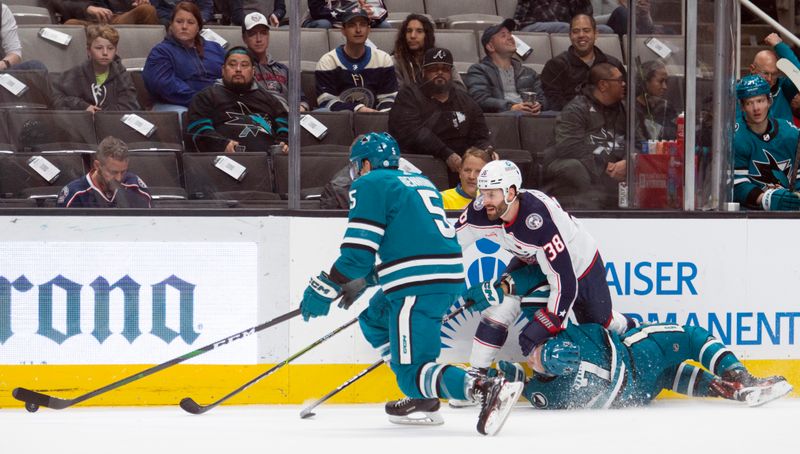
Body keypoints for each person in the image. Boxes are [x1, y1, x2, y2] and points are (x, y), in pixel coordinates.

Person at [298, 131, 523, 436]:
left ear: (365, 164)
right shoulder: (420, 182)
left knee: (409, 372)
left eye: (356, 167)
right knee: (374, 320)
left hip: (416, 287)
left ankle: (482, 386)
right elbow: (415, 245)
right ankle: (423, 397)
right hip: (443, 278)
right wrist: (367, 281)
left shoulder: (370, 183)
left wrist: (326, 287)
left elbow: (357, 254)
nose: (356, 173)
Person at [453, 160, 635, 400]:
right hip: (532, 261)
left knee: (600, 323)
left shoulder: (538, 220)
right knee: (501, 303)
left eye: (491, 194)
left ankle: (634, 334)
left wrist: (552, 319)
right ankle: (476, 376)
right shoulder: (479, 212)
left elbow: (565, 281)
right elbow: (448, 246)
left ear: (510, 192)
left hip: (579, 265)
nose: (484, 200)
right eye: (482, 192)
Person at [499, 322, 792, 409]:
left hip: (636, 395)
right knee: (690, 337)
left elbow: (524, 387)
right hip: (639, 355)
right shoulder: (576, 335)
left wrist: (499, 373)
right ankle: (740, 377)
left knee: (670, 375)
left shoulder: (546, 396)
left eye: (536, 354)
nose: (531, 356)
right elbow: (605, 325)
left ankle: (729, 390)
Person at [388, 47, 491, 178]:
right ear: (423, 71)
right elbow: (411, 132)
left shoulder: (464, 99)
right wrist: (445, 153)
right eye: (433, 69)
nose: (440, 72)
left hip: (461, 169)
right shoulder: (408, 95)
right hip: (421, 164)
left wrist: (487, 150)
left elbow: (480, 134)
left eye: (445, 69)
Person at [543, 62, 627, 210]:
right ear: (603, 85)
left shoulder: (626, 109)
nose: (624, 84)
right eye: (619, 80)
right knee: (573, 167)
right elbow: (569, 147)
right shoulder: (576, 109)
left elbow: (638, 140)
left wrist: (628, 162)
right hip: (586, 167)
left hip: (618, 167)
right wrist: (604, 166)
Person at [186, 46, 288, 154]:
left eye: (244, 65)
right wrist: (221, 144)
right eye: (232, 65)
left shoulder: (269, 99)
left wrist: (284, 142)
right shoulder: (206, 97)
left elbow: (285, 123)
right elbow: (197, 129)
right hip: (224, 162)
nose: (238, 69)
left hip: (269, 161)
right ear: (223, 70)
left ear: (253, 71)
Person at [142, 1, 225, 112]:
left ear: (198, 27)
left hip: (217, 102)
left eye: (190, 22)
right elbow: (164, 86)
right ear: (171, 25)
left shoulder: (215, 48)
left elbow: (230, 75)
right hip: (175, 104)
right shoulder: (161, 52)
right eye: (179, 22)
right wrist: (202, 100)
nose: (184, 26)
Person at [733, 74, 800, 211]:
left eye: (760, 101)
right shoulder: (736, 137)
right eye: (749, 103)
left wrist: (796, 197)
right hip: (751, 216)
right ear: (742, 106)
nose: (756, 108)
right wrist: (765, 199)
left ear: (769, 101)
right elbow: (736, 184)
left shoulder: (790, 133)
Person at [315, 8, 397, 112]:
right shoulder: (328, 61)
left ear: (369, 29)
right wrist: (359, 109)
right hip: (341, 121)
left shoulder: (383, 59)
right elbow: (326, 102)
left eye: (362, 25)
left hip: (376, 120)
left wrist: (379, 116)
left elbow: (389, 98)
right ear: (343, 30)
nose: (358, 30)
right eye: (352, 25)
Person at [540, 13, 625, 111]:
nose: (581, 35)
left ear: (596, 33)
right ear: (570, 35)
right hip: (571, 120)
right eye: (576, 31)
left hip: (609, 120)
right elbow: (553, 102)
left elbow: (625, 97)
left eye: (586, 30)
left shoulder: (612, 64)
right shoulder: (555, 65)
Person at [464, 18, 547, 115]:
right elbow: (480, 99)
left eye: (510, 34)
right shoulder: (479, 70)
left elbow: (544, 97)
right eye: (503, 35)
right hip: (503, 117)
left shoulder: (528, 72)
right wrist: (511, 107)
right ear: (491, 46)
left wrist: (539, 104)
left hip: (530, 116)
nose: (510, 38)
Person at [52, 24, 140, 112]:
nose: (105, 53)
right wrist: (82, 106)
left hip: (113, 123)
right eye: (99, 48)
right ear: (89, 51)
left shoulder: (122, 75)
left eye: (110, 48)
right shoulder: (76, 73)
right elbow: (57, 98)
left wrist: (99, 114)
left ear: (116, 51)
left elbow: (130, 106)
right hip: (83, 123)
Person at [57, 136, 151, 208]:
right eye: (113, 172)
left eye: (123, 172)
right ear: (97, 165)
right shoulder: (75, 194)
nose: (119, 178)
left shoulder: (135, 186)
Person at [241, 11, 309, 111]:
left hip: (286, 116)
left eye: (263, 33)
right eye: (253, 34)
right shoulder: (240, 69)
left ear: (268, 36)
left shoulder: (283, 69)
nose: (259, 39)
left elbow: (301, 99)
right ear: (244, 38)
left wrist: (300, 109)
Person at [391, 13, 462, 88]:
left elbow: (461, 89)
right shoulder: (395, 62)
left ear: (427, 35)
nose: (412, 36)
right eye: (409, 31)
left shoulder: (441, 57)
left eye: (419, 31)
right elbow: (398, 95)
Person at [742, 33, 800, 123]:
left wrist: (779, 45)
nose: (769, 79)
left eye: (774, 74)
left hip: (784, 136)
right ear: (752, 69)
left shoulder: (784, 88)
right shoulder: (741, 90)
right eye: (765, 73)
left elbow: (798, 73)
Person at [634, 59, 677, 141]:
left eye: (666, 82)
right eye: (661, 81)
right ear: (645, 82)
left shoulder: (665, 108)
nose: (665, 87)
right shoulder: (631, 110)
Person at [513, 0, 612, 34]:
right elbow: (519, 17)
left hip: (567, 27)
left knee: (606, 30)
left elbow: (586, 17)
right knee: (564, 27)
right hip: (530, 26)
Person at [1, 4, 48, 71]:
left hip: (1, 73)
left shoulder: (2, 10)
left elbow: (15, 54)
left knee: (35, 66)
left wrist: (3, 64)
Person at [52, 0, 160, 26]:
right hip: (90, 21)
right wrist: (87, 8)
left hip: (117, 18)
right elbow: (56, 2)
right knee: (71, 25)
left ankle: (156, 61)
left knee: (147, 10)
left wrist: (139, 3)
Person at [303, 0, 390, 29]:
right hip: (324, 19)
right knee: (324, 24)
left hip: (356, 19)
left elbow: (381, 9)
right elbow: (317, 12)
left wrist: (370, 14)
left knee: (384, 25)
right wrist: (353, 14)